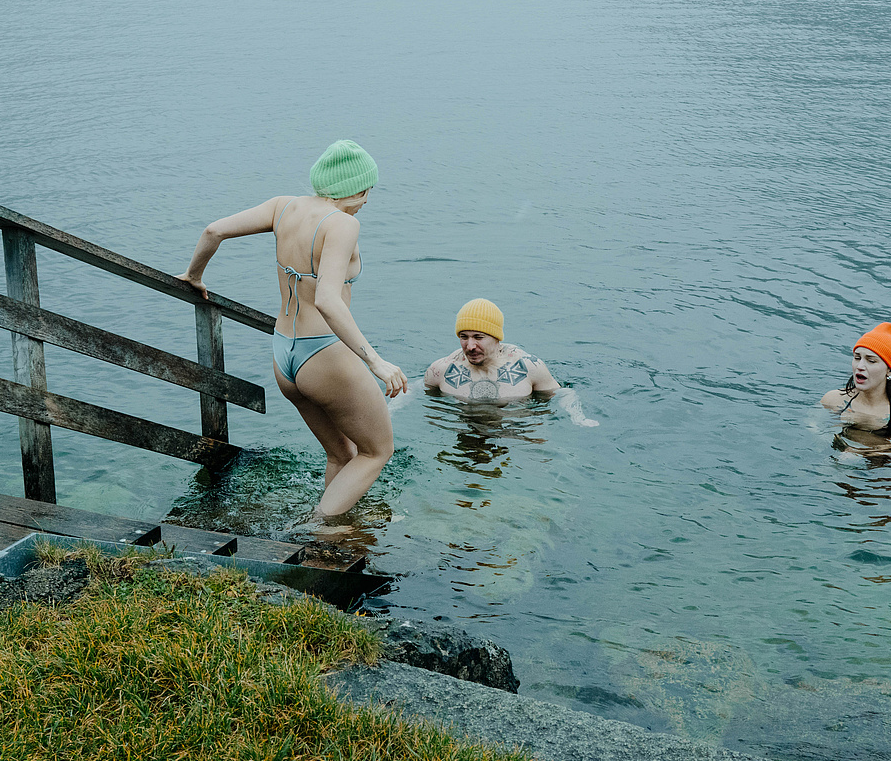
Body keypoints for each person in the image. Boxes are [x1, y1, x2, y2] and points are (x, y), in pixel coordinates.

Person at [178, 139, 407, 519]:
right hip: (325, 355)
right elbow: (328, 300)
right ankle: (319, 530)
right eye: (367, 190)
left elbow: (213, 230)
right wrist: (376, 362)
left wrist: (193, 275)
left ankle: (337, 526)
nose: (368, 199)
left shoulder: (283, 206)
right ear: (354, 187)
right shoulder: (343, 224)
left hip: (284, 354)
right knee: (377, 451)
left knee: (341, 453)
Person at [425, 298, 598, 423]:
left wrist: (578, 417)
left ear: (496, 338)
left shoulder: (528, 367)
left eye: (478, 337)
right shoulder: (442, 370)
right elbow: (415, 390)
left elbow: (562, 393)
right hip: (462, 432)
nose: (470, 346)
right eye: (463, 337)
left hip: (514, 434)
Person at [820, 323, 891, 431]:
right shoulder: (832, 401)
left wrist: (880, 448)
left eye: (871, 361)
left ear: (889, 370)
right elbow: (813, 427)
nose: (860, 366)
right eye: (857, 358)